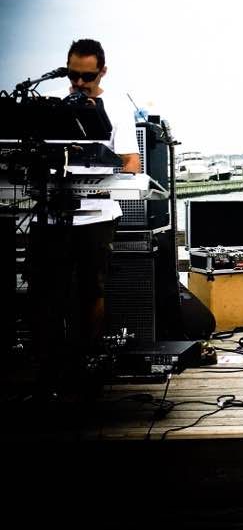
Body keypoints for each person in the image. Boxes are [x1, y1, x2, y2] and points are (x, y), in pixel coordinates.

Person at [28, 38, 141, 396]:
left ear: (101, 71)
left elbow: (132, 163)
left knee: (91, 290)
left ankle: (85, 365)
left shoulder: (117, 105)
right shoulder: (56, 105)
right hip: (52, 213)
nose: (79, 84)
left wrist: (96, 168)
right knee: (47, 294)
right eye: (73, 76)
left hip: (96, 213)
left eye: (87, 77)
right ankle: (48, 371)